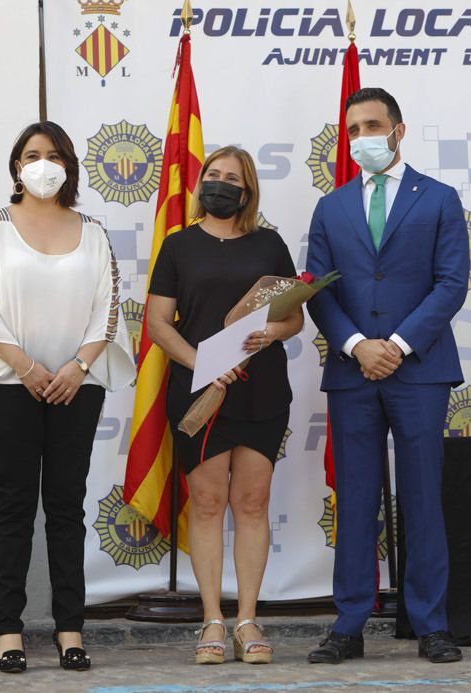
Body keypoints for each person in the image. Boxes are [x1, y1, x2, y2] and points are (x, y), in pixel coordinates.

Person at [0, 121, 134, 673]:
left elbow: (109, 306)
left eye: (54, 155)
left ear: (69, 166)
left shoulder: (94, 230)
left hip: (78, 385)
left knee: (65, 507)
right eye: (32, 155)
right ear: (16, 167)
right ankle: (9, 630)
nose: (43, 164)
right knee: (14, 508)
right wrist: (28, 368)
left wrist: (78, 367)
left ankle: (69, 629)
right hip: (11, 385)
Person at [305, 88, 469, 664]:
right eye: (352, 129)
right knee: (354, 499)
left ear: (399, 129)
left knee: (423, 497)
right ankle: (348, 624)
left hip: (419, 371)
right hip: (354, 374)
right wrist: (356, 345)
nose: (361, 138)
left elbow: (452, 284)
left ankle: (430, 624)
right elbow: (318, 292)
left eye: (372, 125)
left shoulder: (441, 199)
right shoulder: (332, 207)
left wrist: (396, 346)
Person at [145, 146, 304, 665]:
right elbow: (158, 324)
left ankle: (248, 620)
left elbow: (294, 319)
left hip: (261, 391)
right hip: (199, 392)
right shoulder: (178, 246)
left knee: (252, 504)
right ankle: (212, 620)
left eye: (231, 178)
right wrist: (203, 364)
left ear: (247, 190)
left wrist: (271, 331)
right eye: (212, 175)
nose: (219, 184)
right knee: (209, 505)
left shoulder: (270, 245)